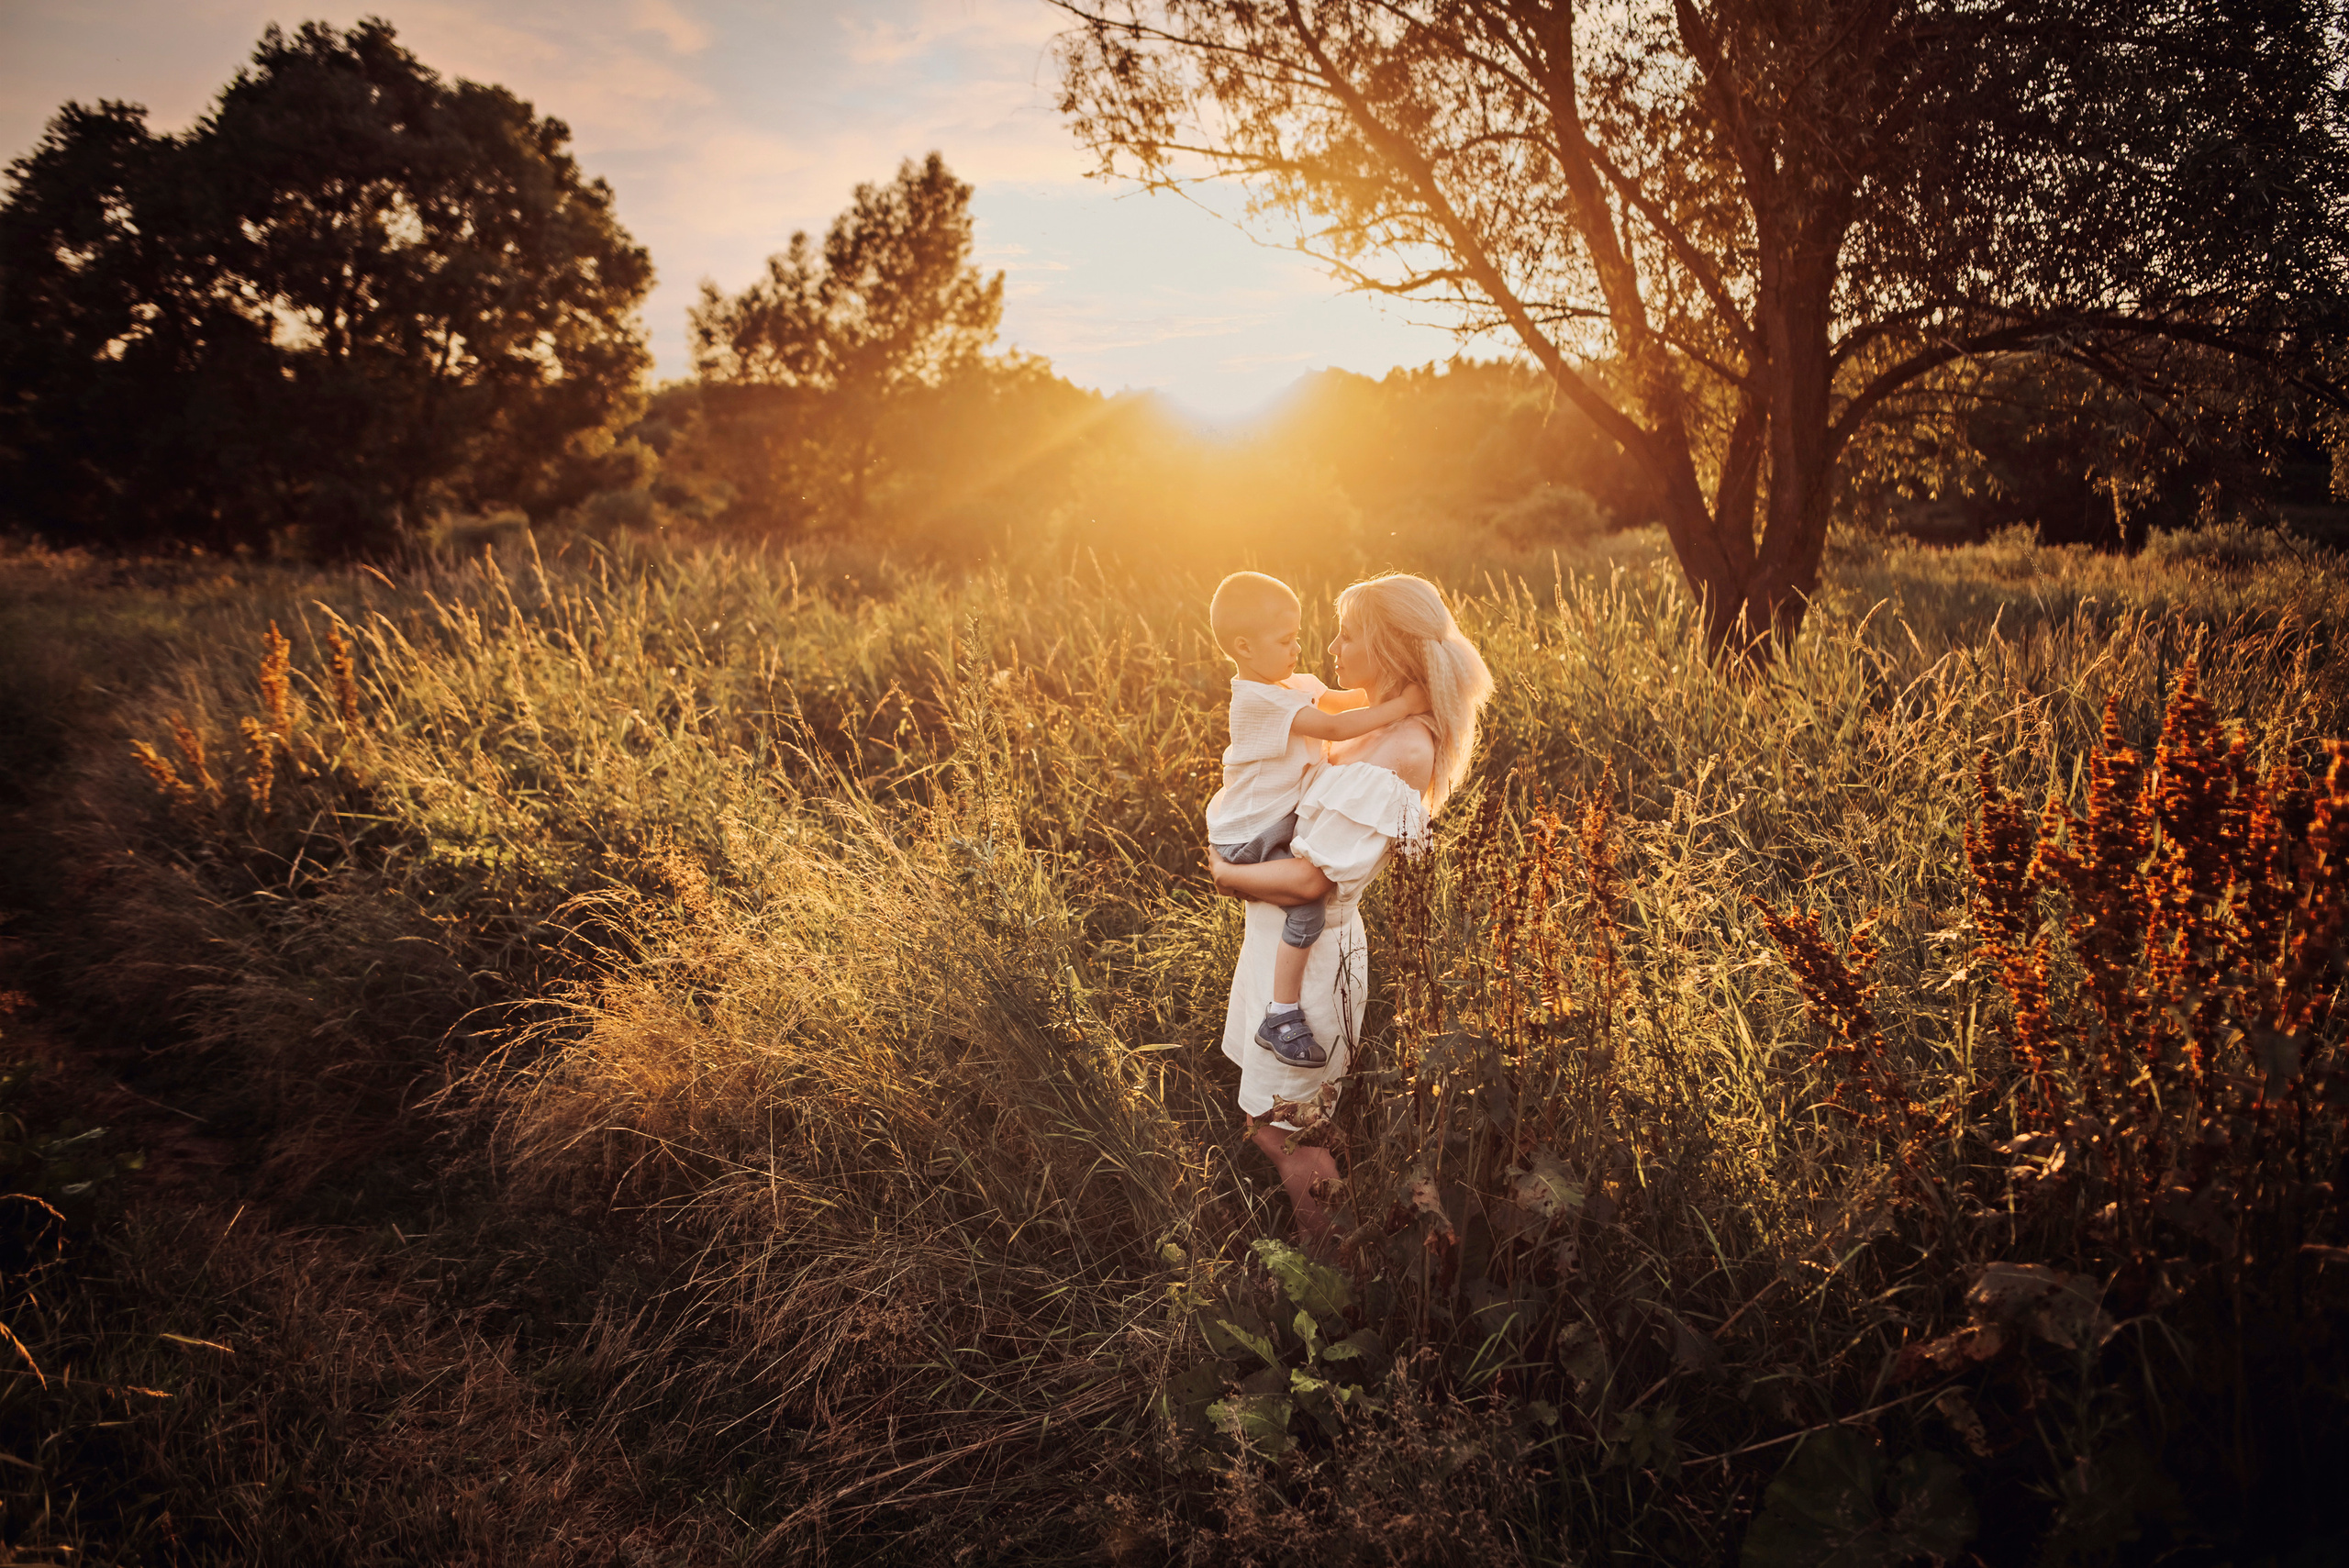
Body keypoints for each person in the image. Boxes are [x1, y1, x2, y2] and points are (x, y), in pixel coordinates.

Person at [1208, 573, 1494, 1253]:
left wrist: (1226, 873)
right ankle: (1343, 1244)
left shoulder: (1403, 746)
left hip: (1311, 961)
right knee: (1281, 1119)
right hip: (1282, 944)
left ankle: (1339, 1279)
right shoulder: (1376, 729)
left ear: (1390, 648)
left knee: (1285, 1129)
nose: (1331, 646)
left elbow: (1310, 876)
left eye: (1348, 633)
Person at [1206, 571, 1432, 1071]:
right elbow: (1330, 724)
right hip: (1255, 834)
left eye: (1298, 636)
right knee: (1305, 908)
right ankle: (1281, 1015)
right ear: (1243, 647)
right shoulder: (1257, 700)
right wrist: (1403, 703)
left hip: (1267, 824)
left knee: (1276, 1117)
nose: (1302, 647)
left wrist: (1391, 701)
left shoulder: (1289, 685)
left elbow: (1341, 701)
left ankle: (1281, 1010)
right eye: (1286, 640)